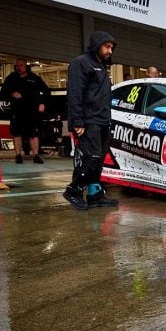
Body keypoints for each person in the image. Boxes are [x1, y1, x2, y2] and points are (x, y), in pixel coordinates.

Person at [62, 31, 119, 210]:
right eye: (107, 47)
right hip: (88, 121)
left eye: (111, 48)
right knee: (91, 158)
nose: (110, 51)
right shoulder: (81, 63)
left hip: (102, 121)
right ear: (97, 45)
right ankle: (74, 190)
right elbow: (75, 94)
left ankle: (95, 195)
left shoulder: (100, 66)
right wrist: (77, 121)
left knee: (99, 159)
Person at [0, 58, 50, 164]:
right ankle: (18, 155)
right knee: (17, 133)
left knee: (34, 134)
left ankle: (36, 155)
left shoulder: (34, 78)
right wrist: (12, 94)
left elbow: (46, 91)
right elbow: (3, 91)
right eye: (17, 65)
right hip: (17, 110)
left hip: (32, 110)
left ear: (26, 66)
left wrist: (42, 103)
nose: (19, 67)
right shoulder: (11, 78)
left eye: (21, 65)